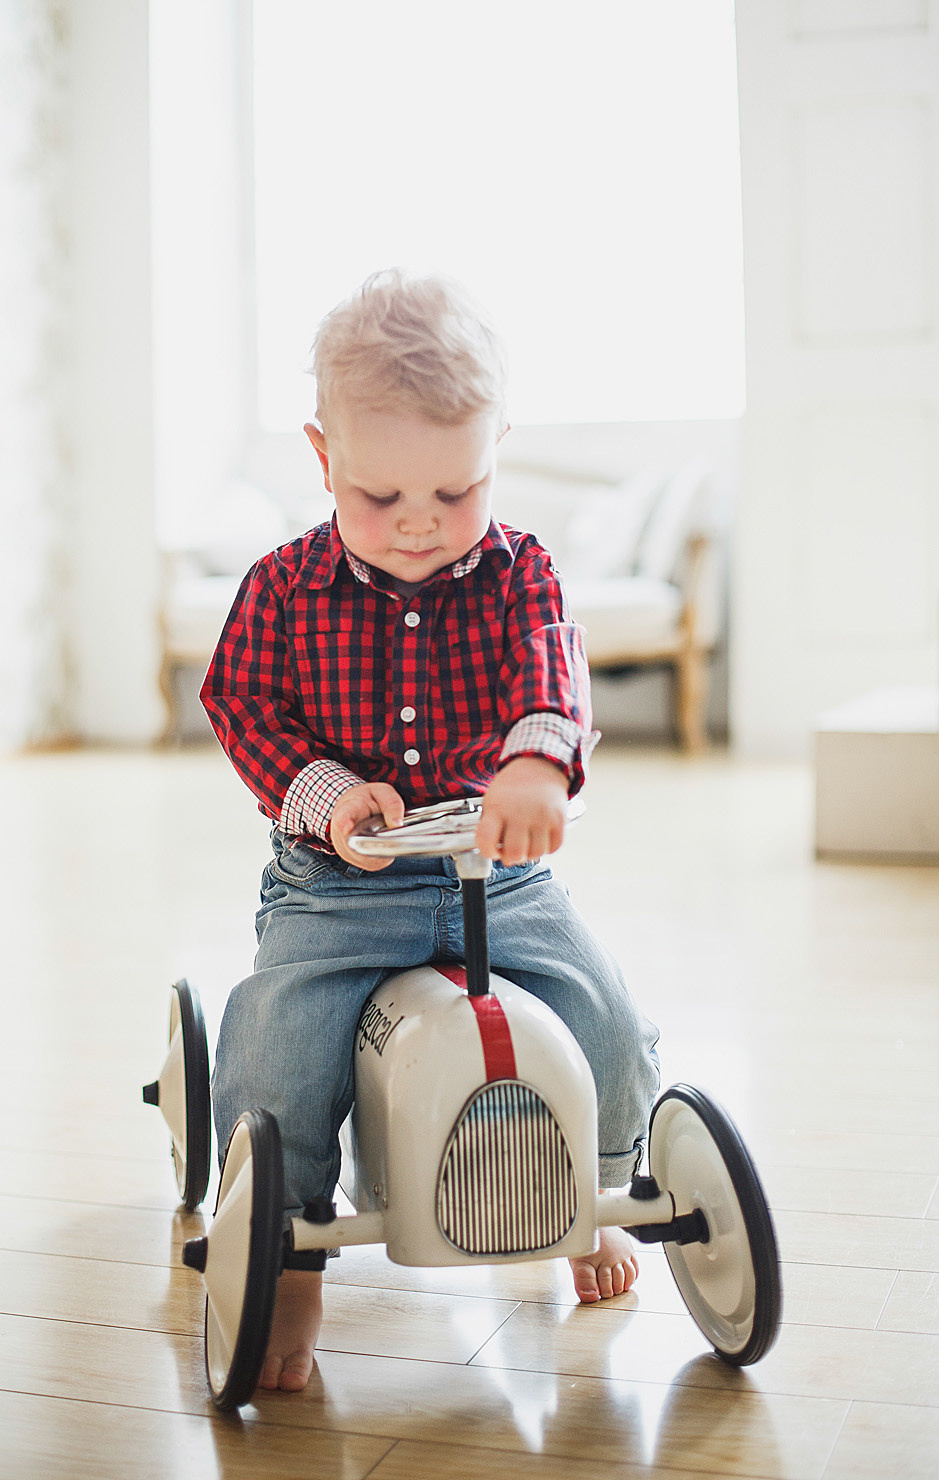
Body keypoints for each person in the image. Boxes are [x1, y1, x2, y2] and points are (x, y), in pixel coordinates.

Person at [201, 269, 660, 1393]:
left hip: (491, 875)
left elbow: (551, 664)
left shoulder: (519, 573)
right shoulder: (282, 588)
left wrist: (531, 765)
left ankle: (590, 1187)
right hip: (335, 887)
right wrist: (322, 792)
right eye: (379, 496)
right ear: (322, 460)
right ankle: (290, 1244)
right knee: (277, 1046)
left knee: (608, 1018)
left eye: (456, 493)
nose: (419, 524)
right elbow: (239, 702)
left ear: (496, 446)